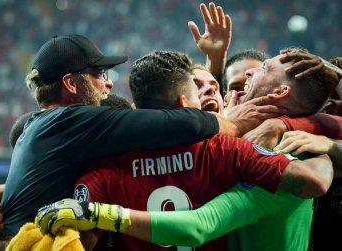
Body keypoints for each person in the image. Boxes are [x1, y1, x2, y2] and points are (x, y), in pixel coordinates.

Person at [35, 47, 338, 251]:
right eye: (200, 87)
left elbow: (78, 240)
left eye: (263, 69)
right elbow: (315, 180)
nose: (249, 75)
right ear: (186, 105)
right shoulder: (226, 150)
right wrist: (320, 146)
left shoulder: (104, 167)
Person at [0, 34, 229, 238]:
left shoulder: (40, 125)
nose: (108, 82)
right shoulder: (71, 120)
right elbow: (182, 123)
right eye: (99, 73)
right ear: (70, 83)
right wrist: (239, 122)